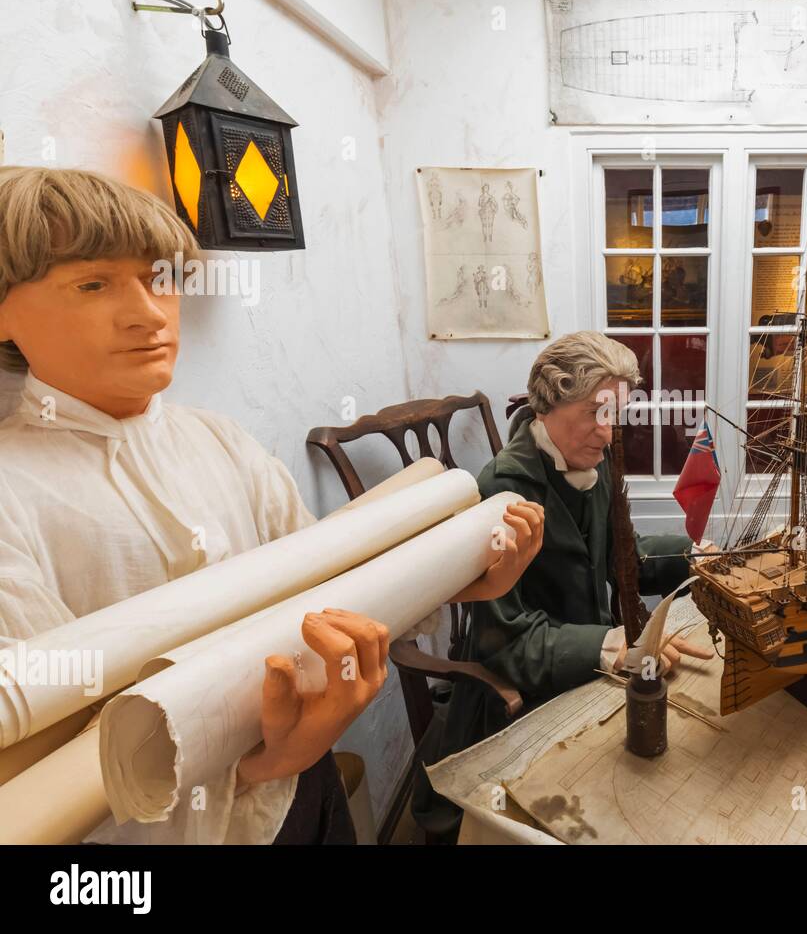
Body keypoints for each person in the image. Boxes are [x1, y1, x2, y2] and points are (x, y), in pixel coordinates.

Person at [0, 166, 542, 842]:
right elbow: (53, 774)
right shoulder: (13, 493)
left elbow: (330, 595)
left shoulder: (218, 439)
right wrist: (259, 763)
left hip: (300, 795)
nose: (146, 311)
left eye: (159, 278)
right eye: (91, 284)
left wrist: (464, 580)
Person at [438, 331, 714, 758]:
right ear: (547, 405)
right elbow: (507, 644)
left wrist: (693, 556)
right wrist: (612, 645)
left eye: (614, 414)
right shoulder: (500, 489)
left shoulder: (593, 465)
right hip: (527, 694)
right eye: (594, 413)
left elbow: (623, 557)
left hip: (594, 664)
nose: (607, 434)